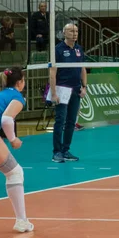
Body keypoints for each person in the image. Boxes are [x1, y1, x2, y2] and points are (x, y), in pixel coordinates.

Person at [0, 68, 34, 232]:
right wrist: (13, 139)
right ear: (20, 82)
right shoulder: (16, 97)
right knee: (14, 172)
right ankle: (21, 221)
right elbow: (7, 119)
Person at [49, 23, 87, 163]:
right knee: (60, 121)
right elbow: (52, 72)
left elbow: (83, 69)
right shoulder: (58, 50)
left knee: (71, 122)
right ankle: (56, 152)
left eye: (76, 31)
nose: (75, 33)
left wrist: (85, 87)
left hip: (76, 90)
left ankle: (66, 150)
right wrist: (53, 93)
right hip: (62, 90)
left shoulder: (79, 49)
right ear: (64, 33)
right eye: (71, 31)